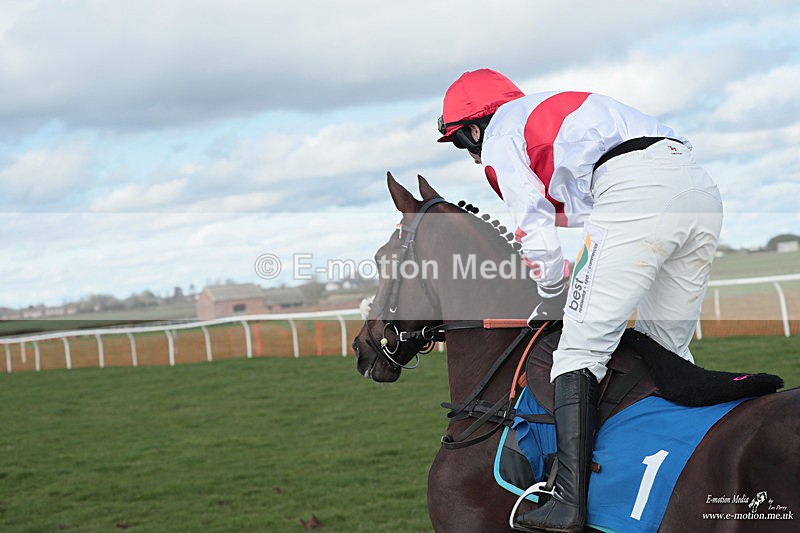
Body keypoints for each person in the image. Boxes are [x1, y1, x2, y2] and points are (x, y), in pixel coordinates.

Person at [437, 69, 722, 532]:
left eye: (462, 143)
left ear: (474, 127)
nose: (472, 157)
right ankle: (671, 477)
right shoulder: (546, 117)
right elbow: (596, 213)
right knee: (663, 351)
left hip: (635, 190)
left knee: (577, 352)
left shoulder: (501, 133)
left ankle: (567, 502)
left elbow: (531, 220)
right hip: (698, 188)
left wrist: (552, 288)